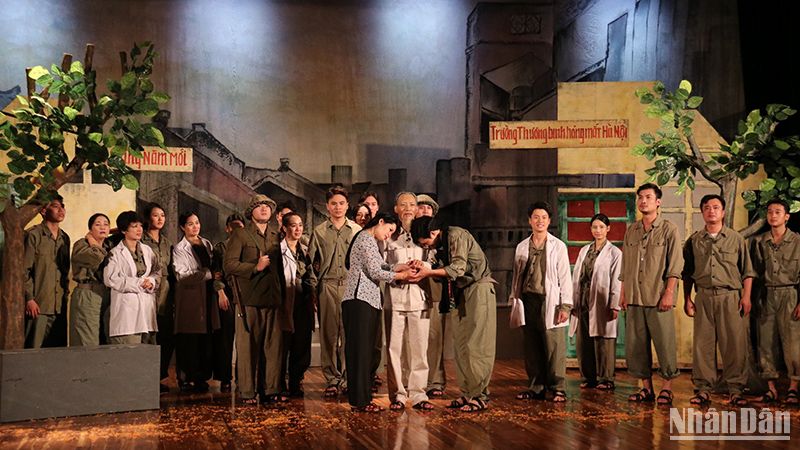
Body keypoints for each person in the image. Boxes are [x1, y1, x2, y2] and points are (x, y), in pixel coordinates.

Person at [410, 215, 496, 413]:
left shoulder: (456, 235)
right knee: (461, 345)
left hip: (478, 289)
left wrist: (429, 272)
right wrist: (424, 267)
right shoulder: (440, 245)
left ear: (433, 232)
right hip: (460, 291)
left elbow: (457, 269)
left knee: (476, 345)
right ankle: (467, 393)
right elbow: (443, 271)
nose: (427, 247)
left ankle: (480, 396)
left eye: (426, 243)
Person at [683, 194, 755, 406]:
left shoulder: (736, 239)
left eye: (716, 207)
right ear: (702, 212)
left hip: (730, 297)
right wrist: (687, 299)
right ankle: (703, 389)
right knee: (702, 345)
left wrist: (746, 296)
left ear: (723, 212)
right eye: (706, 207)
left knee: (734, 344)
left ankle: (736, 389)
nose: (711, 211)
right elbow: (687, 273)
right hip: (704, 296)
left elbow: (747, 271)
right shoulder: (694, 241)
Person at [342, 212, 412, 412]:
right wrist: (402, 275)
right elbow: (375, 272)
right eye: (389, 229)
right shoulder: (365, 238)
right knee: (360, 352)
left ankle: (362, 399)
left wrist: (399, 267)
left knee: (365, 352)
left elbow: (380, 266)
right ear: (380, 221)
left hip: (368, 300)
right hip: (359, 300)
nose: (388, 235)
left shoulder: (371, 241)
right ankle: (361, 401)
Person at [620, 183, 682, 405]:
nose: (643, 201)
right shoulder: (632, 230)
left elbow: (675, 265)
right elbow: (625, 265)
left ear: (658, 202)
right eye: (640, 197)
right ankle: (646, 388)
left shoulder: (669, 229)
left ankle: (667, 388)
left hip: (658, 297)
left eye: (648, 197)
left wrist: (669, 293)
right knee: (637, 346)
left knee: (664, 343)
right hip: (635, 297)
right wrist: (623, 293)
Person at [224, 194, 286, 405]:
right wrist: (255, 267)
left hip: (272, 297)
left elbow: (281, 269)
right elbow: (229, 265)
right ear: (251, 212)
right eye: (259, 206)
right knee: (247, 348)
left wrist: (282, 296)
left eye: (267, 206)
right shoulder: (240, 234)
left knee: (273, 347)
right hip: (249, 299)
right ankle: (247, 391)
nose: (264, 209)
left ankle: (271, 389)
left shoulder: (276, 235)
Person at [510, 202, 573, 402]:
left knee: (554, 346)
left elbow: (565, 277)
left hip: (550, 300)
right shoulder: (522, 246)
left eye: (544, 217)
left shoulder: (558, 246)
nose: (540, 221)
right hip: (528, 299)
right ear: (530, 220)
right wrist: (514, 299)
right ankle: (536, 386)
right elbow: (516, 277)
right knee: (532, 346)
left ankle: (558, 387)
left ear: (549, 221)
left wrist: (565, 306)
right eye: (536, 217)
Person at [383, 193, 434, 411]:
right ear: (396, 208)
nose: (408, 208)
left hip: (420, 297)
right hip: (394, 299)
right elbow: (380, 265)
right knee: (394, 349)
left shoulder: (425, 233)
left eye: (412, 204)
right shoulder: (388, 235)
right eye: (403, 204)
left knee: (420, 349)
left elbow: (434, 260)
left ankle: (419, 393)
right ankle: (398, 394)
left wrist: (423, 268)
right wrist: (399, 270)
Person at [309, 186, 361, 397]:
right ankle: (332, 379)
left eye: (341, 203)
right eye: (333, 204)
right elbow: (311, 263)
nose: (337, 207)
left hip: (351, 285)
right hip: (328, 286)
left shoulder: (357, 230)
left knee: (350, 334)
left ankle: (348, 378)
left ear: (347, 206)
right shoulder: (319, 231)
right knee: (329, 335)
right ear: (327, 206)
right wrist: (313, 290)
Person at [752, 198, 800, 405]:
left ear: (787, 216)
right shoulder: (759, 242)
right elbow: (753, 272)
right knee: (766, 342)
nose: (773, 215)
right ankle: (771, 388)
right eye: (770, 212)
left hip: (790, 295)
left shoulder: (797, 242)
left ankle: (793, 387)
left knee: (793, 343)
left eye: (778, 212)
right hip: (766, 295)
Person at [569, 213, 622, 391]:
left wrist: (614, 304)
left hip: (602, 300)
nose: (597, 230)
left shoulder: (614, 253)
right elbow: (577, 276)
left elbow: (617, 280)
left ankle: (606, 378)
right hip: (583, 299)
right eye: (594, 227)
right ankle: (588, 377)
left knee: (603, 341)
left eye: (601, 227)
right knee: (584, 340)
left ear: (608, 229)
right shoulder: (585, 250)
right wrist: (572, 301)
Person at [172, 212, 221, 393]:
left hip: (207, 296)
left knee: (205, 338)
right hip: (190, 297)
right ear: (182, 227)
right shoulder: (179, 248)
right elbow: (182, 275)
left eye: (197, 223)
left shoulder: (206, 243)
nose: (195, 227)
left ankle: (201, 377)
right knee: (189, 338)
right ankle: (187, 377)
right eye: (190, 224)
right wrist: (208, 275)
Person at [104, 211, 160, 345]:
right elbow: (110, 279)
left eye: (140, 225)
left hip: (147, 308)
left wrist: (151, 282)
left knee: (148, 352)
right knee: (129, 351)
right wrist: (138, 283)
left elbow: (157, 271)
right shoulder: (115, 253)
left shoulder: (148, 251)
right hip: (126, 311)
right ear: (124, 230)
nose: (139, 229)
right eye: (134, 226)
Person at [24, 195, 70, 348]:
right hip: (39, 304)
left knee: (57, 351)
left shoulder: (65, 238)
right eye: (56, 206)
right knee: (33, 349)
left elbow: (65, 271)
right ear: (43, 211)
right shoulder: (34, 235)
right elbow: (25, 270)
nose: (61, 210)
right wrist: (29, 299)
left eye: (62, 206)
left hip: (59, 305)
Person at [279, 212, 315, 397]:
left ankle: (296, 381)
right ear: (285, 228)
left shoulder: (306, 250)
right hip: (286, 301)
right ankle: (279, 383)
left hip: (304, 301)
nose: (298, 229)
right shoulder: (277, 250)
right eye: (293, 225)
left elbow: (312, 274)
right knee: (283, 343)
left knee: (302, 343)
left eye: (300, 225)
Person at [141, 203, 175, 393]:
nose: (160, 218)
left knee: (166, 336)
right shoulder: (141, 239)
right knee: (148, 335)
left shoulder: (167, 242)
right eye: (156, 215)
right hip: (147, 291)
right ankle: (146, 376)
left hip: (165, 294)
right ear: (148, 218)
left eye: (162, 215)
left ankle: (160, 375)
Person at [416, 194, 447, 398]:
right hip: (413, 292)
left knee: (435, 338)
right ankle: (414, 381)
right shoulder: (408, 235)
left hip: (435, 292)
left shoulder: (442, 236)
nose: (425, 210)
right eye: (421, 207)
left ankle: (436, 381)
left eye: (429, 208)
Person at [211, 213, 245, 393]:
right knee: (225, 338)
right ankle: (224, 378)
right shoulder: (220, 248)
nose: (237, 230)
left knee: (244, 340)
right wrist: (220, 292)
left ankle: (243, 377)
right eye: (233, 226)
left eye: (240, 226)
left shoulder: (249, 246)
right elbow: (216, 273)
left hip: (245, 296)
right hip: (227, 294)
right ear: (227, 228)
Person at [69, 213, 112, 346]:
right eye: (97, 224)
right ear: (90, 229)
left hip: (106, 293)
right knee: (87, 340)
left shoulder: (109, 245)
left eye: (106, 224)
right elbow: (95, 257)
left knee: (105, 338)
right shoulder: (82, 244)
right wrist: (92, 241)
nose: (102, 227)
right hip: (88, 292)